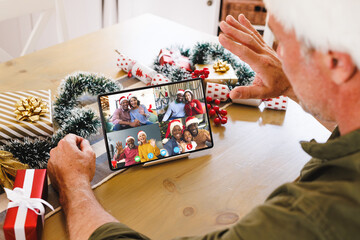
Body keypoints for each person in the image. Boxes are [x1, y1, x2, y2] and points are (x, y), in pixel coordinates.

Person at [47, 0, 360, 238]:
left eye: (282, 41)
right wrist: (294, 83)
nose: (275, 54)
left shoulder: (311, 214)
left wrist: (73, 184)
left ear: (335, 62)